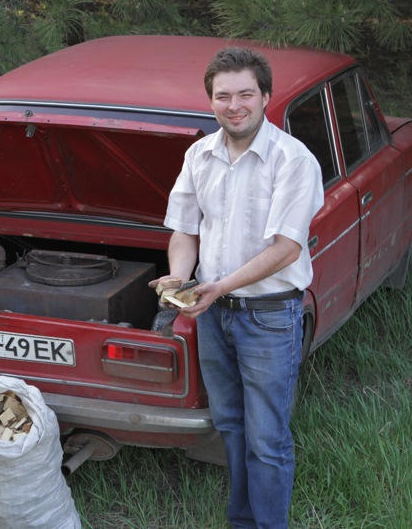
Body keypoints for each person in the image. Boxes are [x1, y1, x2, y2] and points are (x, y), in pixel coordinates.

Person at [150, 47, 324, 527]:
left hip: (269, 316)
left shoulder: (292, 160)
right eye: (223, 96)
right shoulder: (199, 155)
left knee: (267, 439)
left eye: (245, 94)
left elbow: (287, 248)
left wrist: (216, 285)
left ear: (266, 96)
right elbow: (184, 230)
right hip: (214, 314)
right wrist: (180, 277)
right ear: (210, 101)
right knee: (230, 425)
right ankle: (243, 521)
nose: (234, 105)